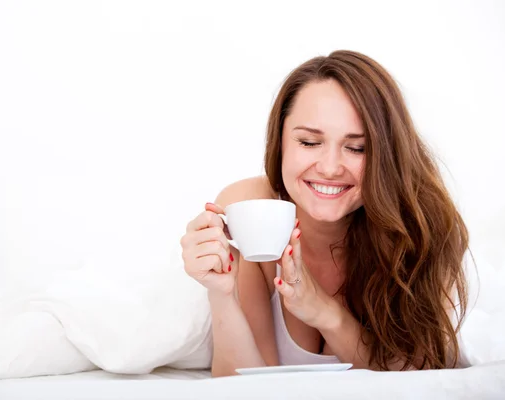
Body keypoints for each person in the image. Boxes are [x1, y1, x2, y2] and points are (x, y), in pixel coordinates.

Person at [179, 50, 469, 377]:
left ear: (387, 154)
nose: (330, 168)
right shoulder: (249, 206)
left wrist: (324, 313)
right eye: (309, 142)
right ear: (281, 142)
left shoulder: (424, 222)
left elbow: (423, 374)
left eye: (357, 148)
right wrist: (221, 295)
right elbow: (245, 383)